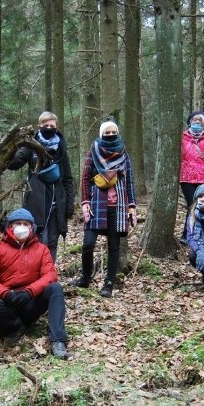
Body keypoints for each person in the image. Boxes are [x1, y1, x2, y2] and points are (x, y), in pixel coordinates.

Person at [0, 208, 70, 359]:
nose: (22, 227)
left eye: (26, 224)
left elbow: (50, 274)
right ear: (10, 227)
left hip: (31, 301)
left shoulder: (41, 249)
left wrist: (30, 291)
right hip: (8, 302)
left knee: (55, 288)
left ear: (32, 228)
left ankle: (58, 341)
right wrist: (6, 293)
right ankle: (15, 328)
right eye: (18, 223)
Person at [72, 120, 138, 298]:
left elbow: (130, 181)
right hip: (96, 205)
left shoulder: (124, 153)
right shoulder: (92, 152)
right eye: (107, 132)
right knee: (88, 245)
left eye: (113, 132)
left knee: (114, 246)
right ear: (101, 134)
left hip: (118, 206)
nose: (110, 135)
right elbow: (85, 178)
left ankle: (109, 283)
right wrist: (85, 201)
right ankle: (85, 277)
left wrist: (132, 205)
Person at [7, 111, 75, 261]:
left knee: (52, 241)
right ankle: (35, 275)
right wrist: (10, 147)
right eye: (46, 125)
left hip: (57, 201)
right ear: (39, 126)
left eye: (52, 125)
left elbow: (68, 178)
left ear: (57, 127)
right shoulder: (32, 144)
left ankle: (49, 275)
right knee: (37, 238)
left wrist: (69, 204)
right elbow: (14, 163)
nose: (49, 127)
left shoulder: (61, 148)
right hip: (36, 199)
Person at [179, 111, 204, 218]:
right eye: (194, 119)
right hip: (186, 179)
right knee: (192, 205)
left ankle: (196, 232)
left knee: (203, 207)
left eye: (200, 120)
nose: (197, 122)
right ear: (190, 121)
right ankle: (189, 233)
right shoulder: (182, 138)